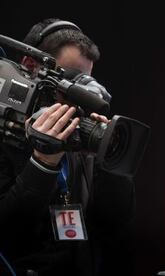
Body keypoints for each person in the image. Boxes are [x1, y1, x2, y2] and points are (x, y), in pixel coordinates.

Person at [0, 18, 136, 275]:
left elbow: (113, 225)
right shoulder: (4, 131)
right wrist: (42, 162)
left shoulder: (76, 132)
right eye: (73, 81)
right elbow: (8, 232)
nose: (80, 99)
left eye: (87, 83)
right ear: (31, 66)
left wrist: (109, 157)